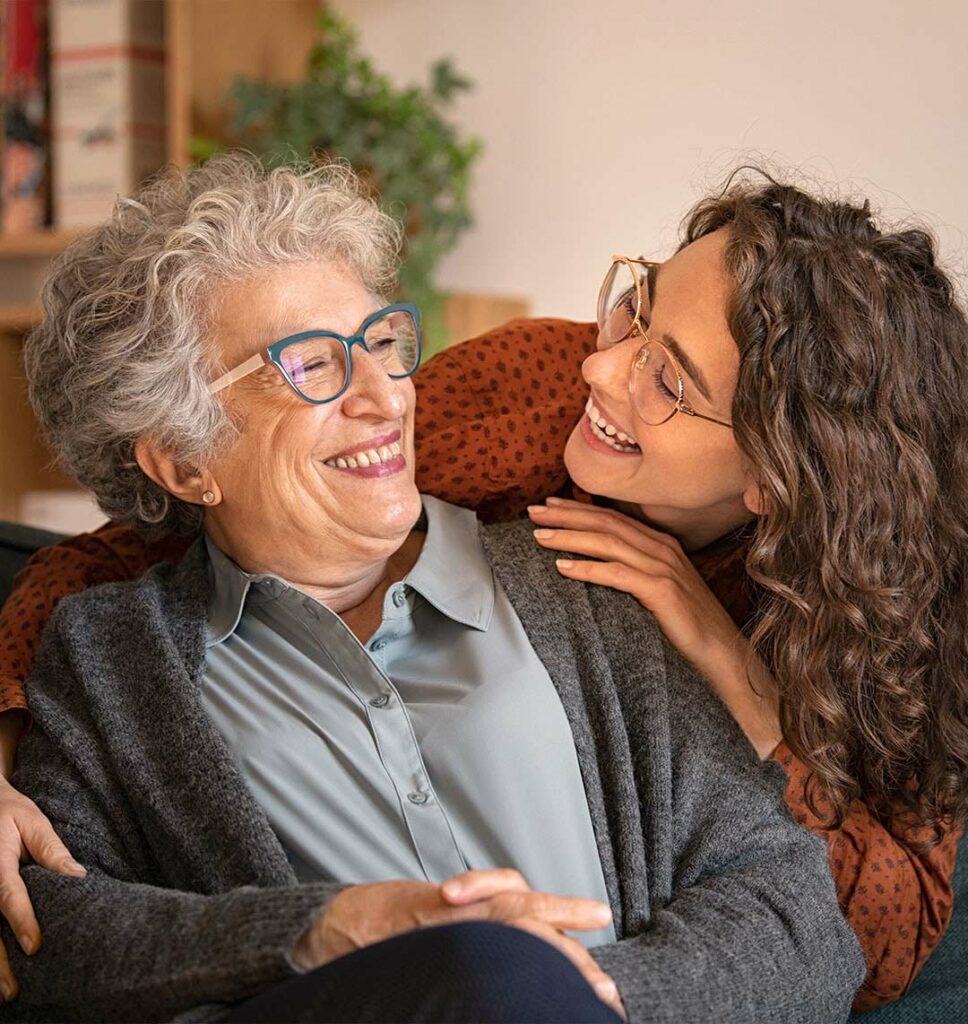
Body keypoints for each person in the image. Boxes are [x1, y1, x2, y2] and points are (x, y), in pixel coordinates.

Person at [0, 169, 962, 1015]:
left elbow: (824, 925)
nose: (384, 393)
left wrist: (585, 994)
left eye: (380, 342)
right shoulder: (116, 654)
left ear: (774, 477)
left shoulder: (612, 596)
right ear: (182, 455)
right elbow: (54, 925)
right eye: (314, 362)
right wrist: (333, 929)